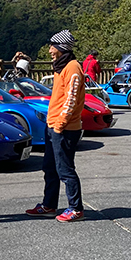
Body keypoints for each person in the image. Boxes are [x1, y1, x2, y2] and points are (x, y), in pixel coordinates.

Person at [25, 29, 86, 222]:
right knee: (49, 167)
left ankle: (76, 208)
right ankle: (49, 205)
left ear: (61, 48)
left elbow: (72, 99)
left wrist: (59, 124)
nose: (50, 50)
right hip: (52, 126)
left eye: (52, 46)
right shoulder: (60, 66)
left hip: (65, 128)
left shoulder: (73, 67)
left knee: (65, 169)